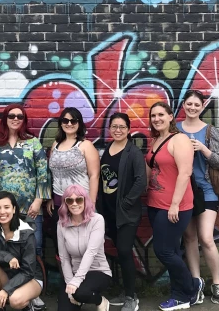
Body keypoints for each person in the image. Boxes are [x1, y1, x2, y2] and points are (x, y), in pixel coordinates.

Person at [0, 104, 49, 311]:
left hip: (30, 208)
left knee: (35, 247)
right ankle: (15, 288)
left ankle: (33, 292)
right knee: (9, 250)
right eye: (11, 115)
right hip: (5, 212)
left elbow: (43, 172)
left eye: (20, 116)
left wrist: (39, 200)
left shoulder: (33, 142)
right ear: (5, 119)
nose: (15, 119)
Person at [145, 102, 200, 311]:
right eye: (153, 116)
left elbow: (185, 173)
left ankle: (192, 286)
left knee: (163, 251)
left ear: (170, 117)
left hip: (174, 206)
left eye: (161, 114)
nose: (156, 119)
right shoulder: (156, 140)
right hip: (155, 204)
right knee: (173, 250)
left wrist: (175, 204)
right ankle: (180, 295)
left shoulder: (180, 139)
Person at [176, 91, 219, 305]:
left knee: (206, 238)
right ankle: (196, 282)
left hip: (206, 190)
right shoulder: (175, 129)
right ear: (183, 105)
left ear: (202, 106)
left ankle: (217, 282)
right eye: (189, 104)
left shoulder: (209, 131)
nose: (192, 108)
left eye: (196, 104)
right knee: (189, 238)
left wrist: (203, 149)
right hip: (183, 191)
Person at [97, 113, 146, 311]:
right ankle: (126, 292)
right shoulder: (108, 149)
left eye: (122, 127)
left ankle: (131, 297)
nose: (118, 130)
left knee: (125, 251)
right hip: (110, 212)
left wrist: (126, 202)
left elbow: (141, 181)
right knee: (120, 251)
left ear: (128, 129)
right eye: (114, 126)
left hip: (126, 213)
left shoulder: (133, 152)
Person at [0, 192, 43, 310]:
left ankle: (29, 302)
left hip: (31, 277)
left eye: (7, 207)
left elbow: (28, 271)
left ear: (14, 209)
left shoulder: (26, 231)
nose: (2, 212)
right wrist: (7, 256)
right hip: (8, 274)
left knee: (15, 300)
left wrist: (6, 290)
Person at [57, 185, 112, 311]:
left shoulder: (97, 220)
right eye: (70, 200)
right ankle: (79, 298)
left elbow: (91, 252)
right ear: (65, 204)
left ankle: (100, 301)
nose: (74, 204)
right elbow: (64, 258)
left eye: (79, 200)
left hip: (97, 270)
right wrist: (70, 284)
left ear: (85, 201)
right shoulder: (61, 224)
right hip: (74, 273)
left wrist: (76, 282)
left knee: (80, 292)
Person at [46, 107, 100, 219]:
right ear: (61, 123)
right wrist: (50, 197)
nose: (69, 124)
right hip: (58, 201)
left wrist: (91, 202)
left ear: (79, 123)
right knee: (59, 230)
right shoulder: (55, 144)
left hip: (80, 202)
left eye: (73, 121)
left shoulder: (85, 145)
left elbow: (94, 175)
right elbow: (52, 174)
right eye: (65, 121)